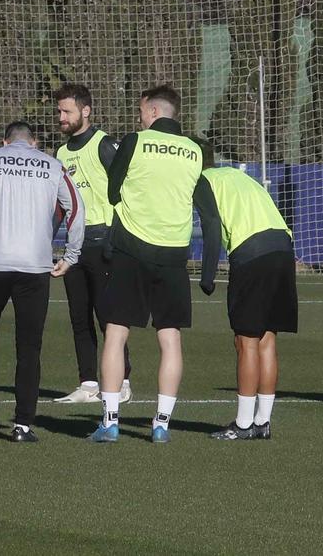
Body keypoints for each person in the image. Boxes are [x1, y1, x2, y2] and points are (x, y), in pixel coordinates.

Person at [90, 86, 220, 445]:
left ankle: (110, 421)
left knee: (116, 333)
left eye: (141, 110)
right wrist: (208, 271)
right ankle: (161, 423)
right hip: (173, 255)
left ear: (152, 111)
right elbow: (209, 214)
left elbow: (113, 190)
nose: (139, 116)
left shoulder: (135, 141)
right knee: (170, 338)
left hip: (132, 250)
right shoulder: (195, 151)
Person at [0, 120, 81, 443]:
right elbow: (76, 209)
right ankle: (23, 425)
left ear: (5, 141)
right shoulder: (53, 165)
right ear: (35, 143)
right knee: (29, 346)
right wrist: (71, 255)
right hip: (35, 266)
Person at [196, 141, 296, 442]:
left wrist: (207, 275)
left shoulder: (201, 180)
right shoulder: (235, 176)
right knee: (266, 339)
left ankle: (241, 424)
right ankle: (262, 422)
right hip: (282, 246)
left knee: (245, 341)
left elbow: (212, 226)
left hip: (252, 252)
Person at [52, 83, 128, 405]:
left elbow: (126, 192)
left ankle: (123, 382)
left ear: (86, 111)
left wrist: (117, 238)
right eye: (59, 111)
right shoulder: (60, 153)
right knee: (78, 317)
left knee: (109, 317)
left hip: (104, 242)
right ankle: (88, 384)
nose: (61, 117)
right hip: (74, 246)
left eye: (66, 111)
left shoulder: (104, 144)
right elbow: (59, 203)